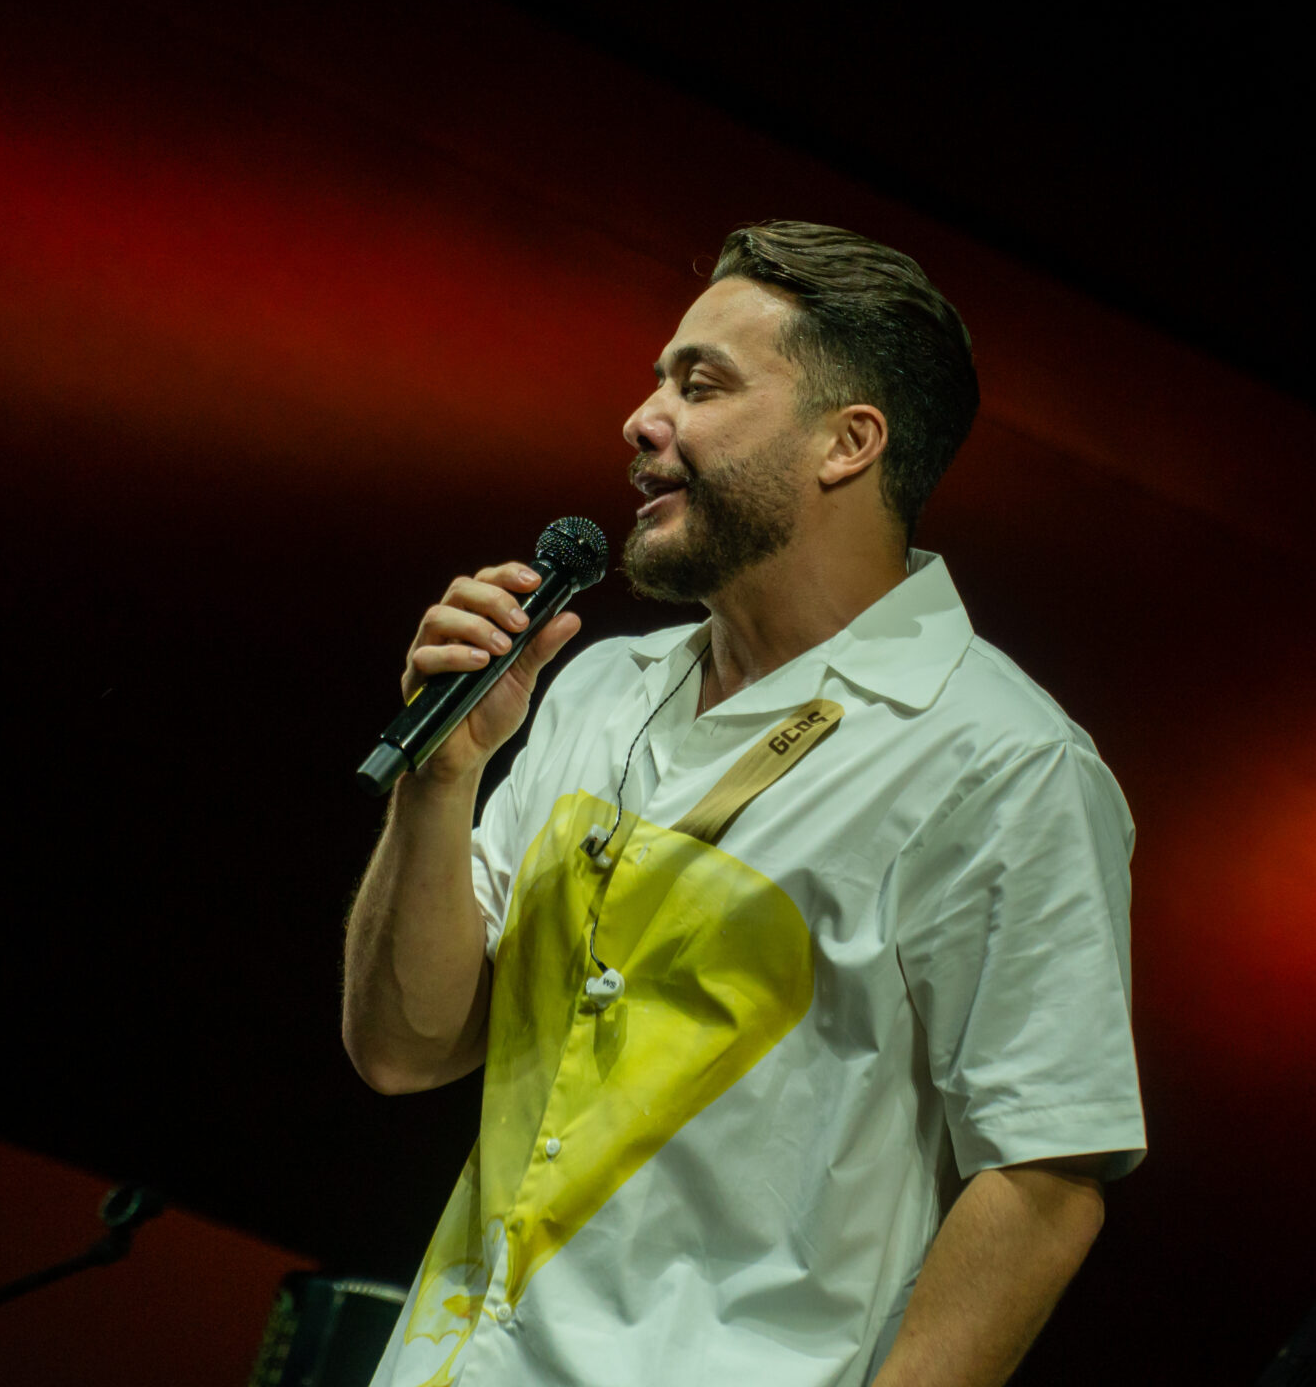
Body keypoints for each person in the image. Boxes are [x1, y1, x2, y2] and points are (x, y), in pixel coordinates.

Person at [342, 221, 1145, 1387]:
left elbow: (1044, 1181)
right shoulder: (599, 688)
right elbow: (402, 1052)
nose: (641, 418)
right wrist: (442, 780)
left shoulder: (1002, 762)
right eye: (658, 378)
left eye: (700, 384)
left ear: (846, 443)